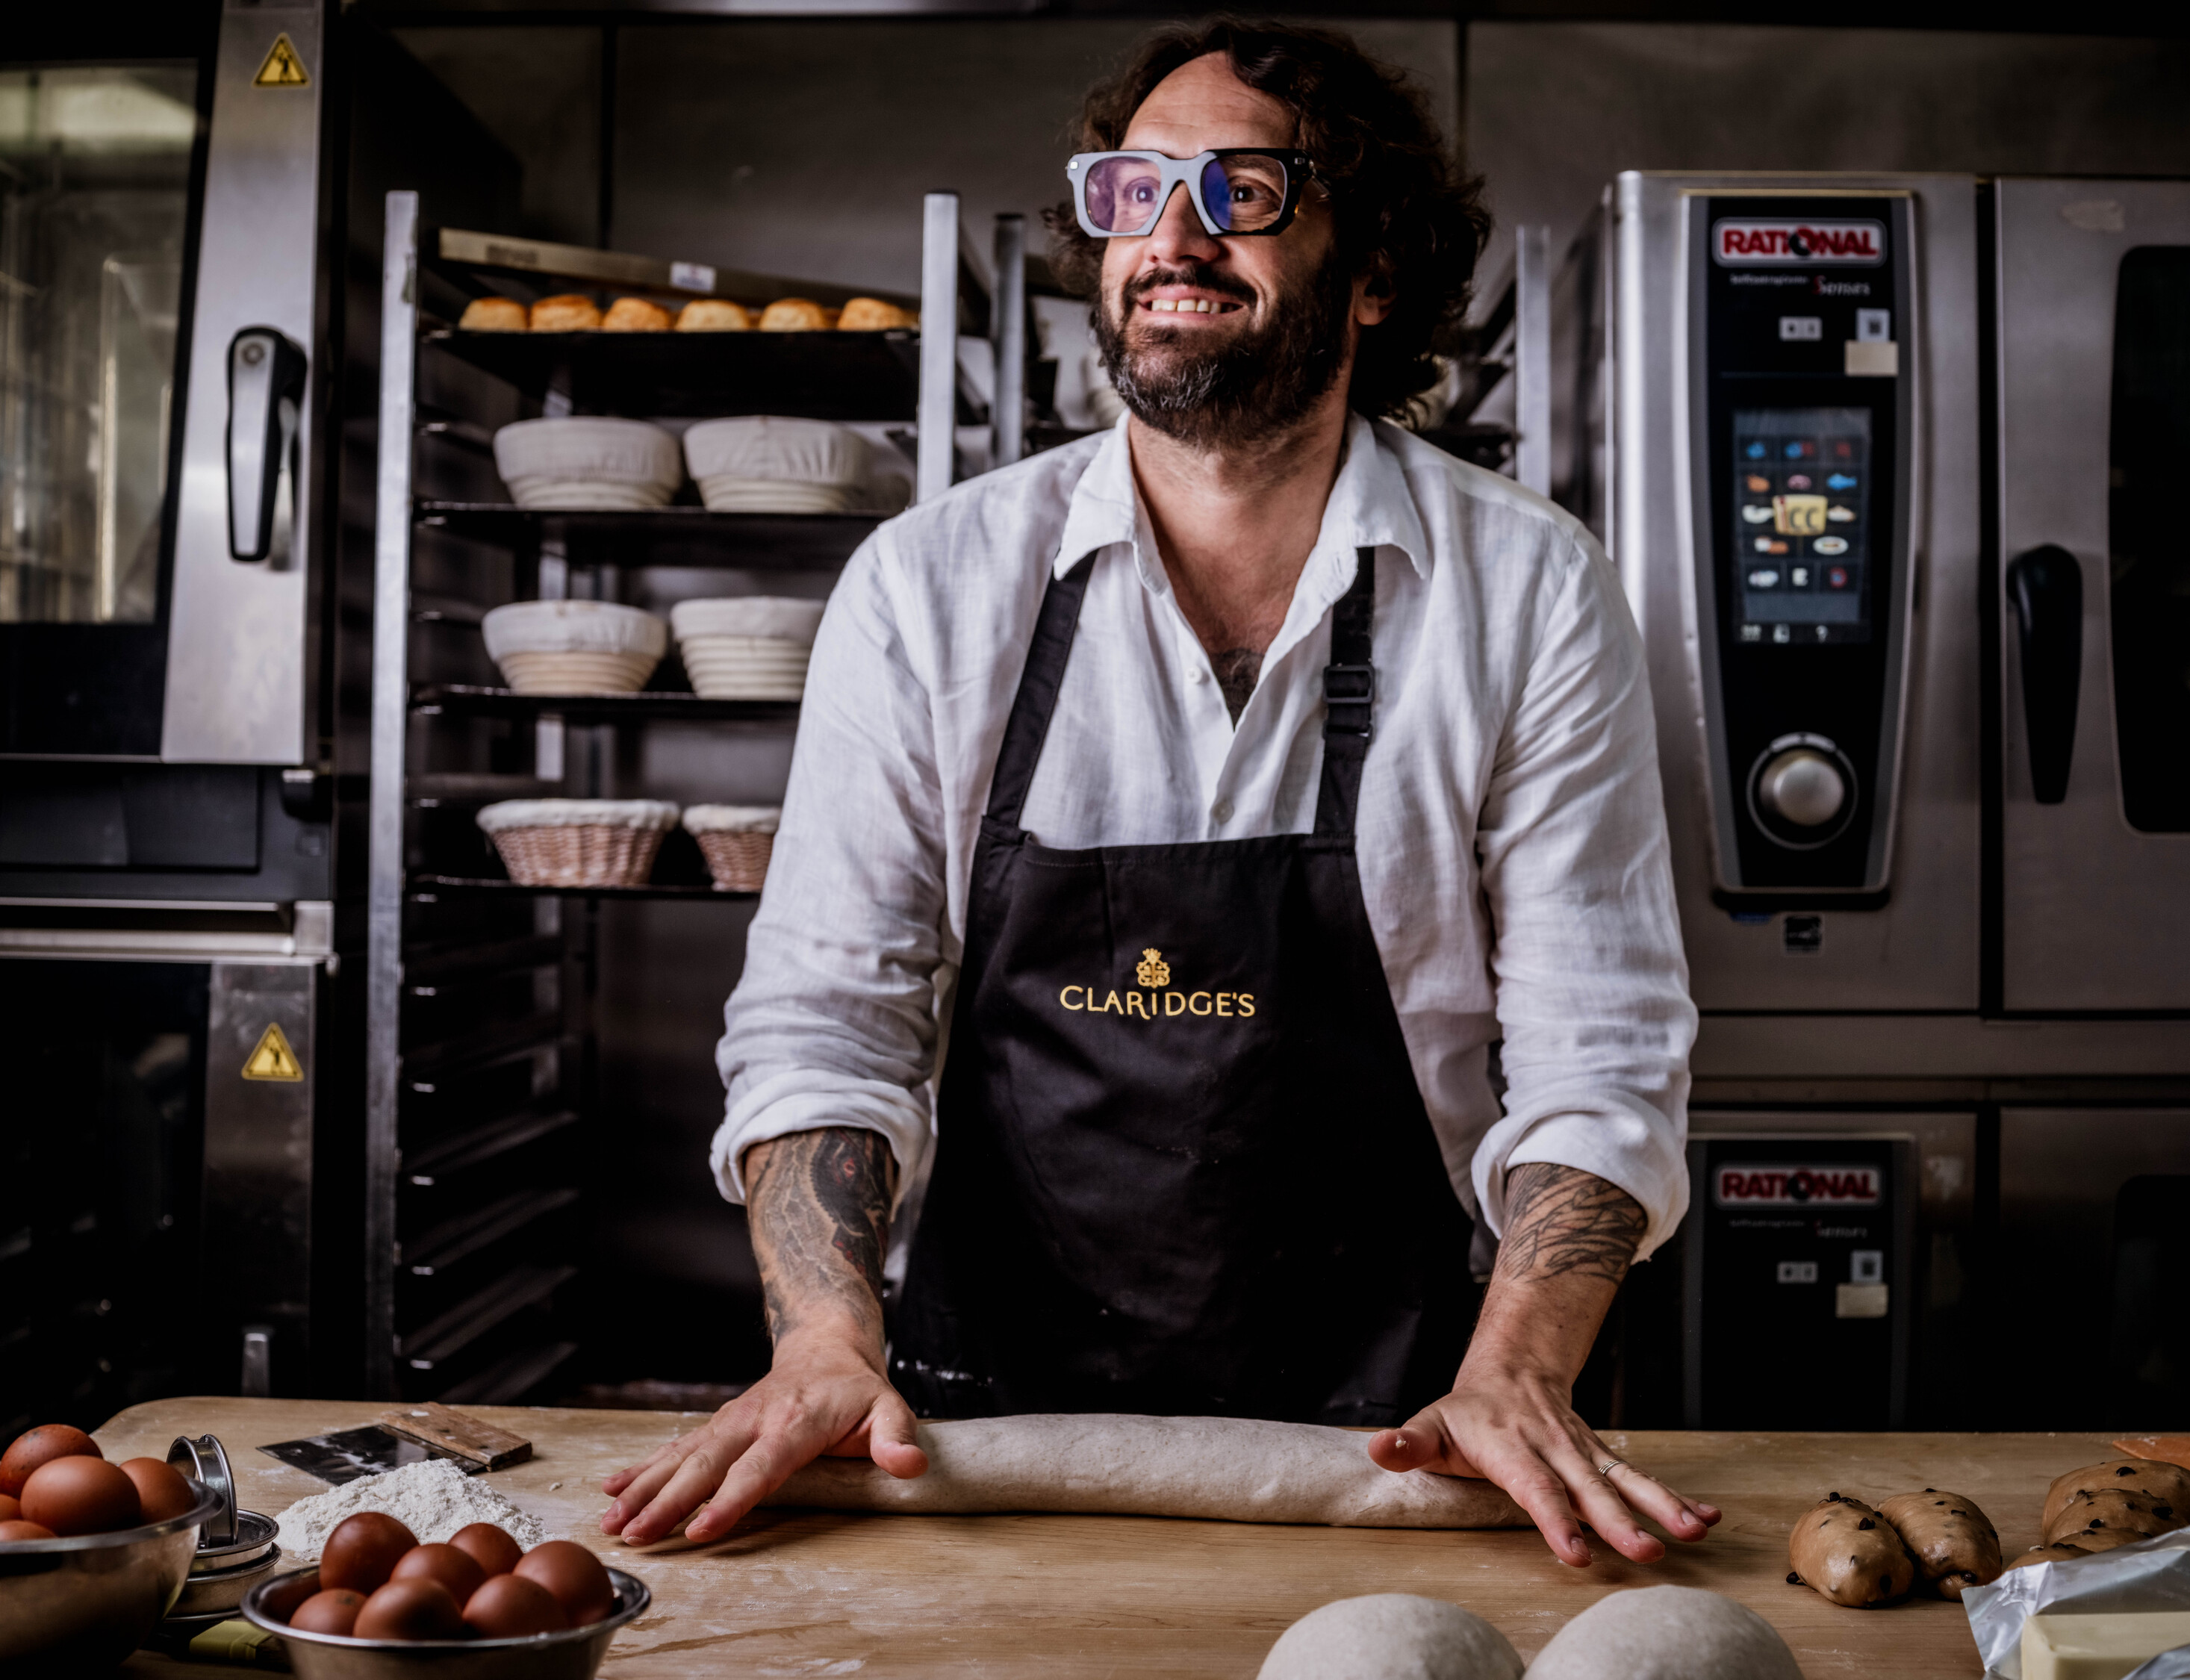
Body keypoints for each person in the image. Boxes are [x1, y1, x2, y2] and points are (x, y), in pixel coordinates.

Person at [601, 18, 1713, 1568]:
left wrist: (1520, 1362)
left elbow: (1599, 1055)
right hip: (979, 1454)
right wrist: (820, 1344)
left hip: (1413, 1448)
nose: (1168, 236)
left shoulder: (1527, 590)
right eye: (1130, 190)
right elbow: (825, 1026)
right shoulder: (930, 588)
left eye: (1240, 189)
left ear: (1373, 266)